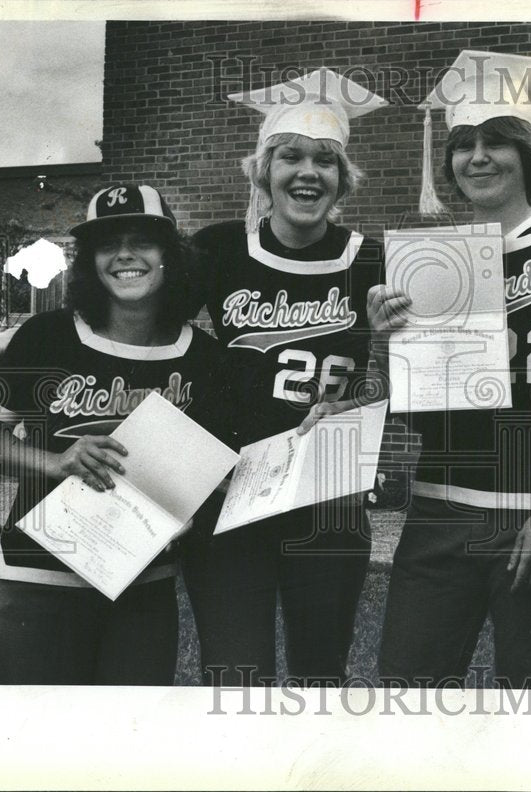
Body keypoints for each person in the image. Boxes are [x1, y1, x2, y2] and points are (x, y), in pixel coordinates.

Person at [369, 51, 531, 687]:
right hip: (437, 510)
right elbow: (410, 399)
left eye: (496, 142)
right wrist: (386, 342)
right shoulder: (432, 258)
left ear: (529, 154)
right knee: (408, 690)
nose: (477, 157)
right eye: (463, 145)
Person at [0, 184, 227, 685]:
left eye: (143, 240)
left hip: (143, 584)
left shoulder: (205, 358)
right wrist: (57, 462)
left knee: (126, 746)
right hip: (39, 575)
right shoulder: (47, 335)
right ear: (90, 260)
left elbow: (215, 465)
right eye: (108, 242)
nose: (125, 254)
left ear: (171, 254)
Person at [177, 69, 389, 686]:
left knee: (320, 674)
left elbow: (413, 377)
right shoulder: (218, 248)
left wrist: (368, 388)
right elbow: (135, 313)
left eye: (325, 161)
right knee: (235, 673)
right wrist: (16, 335)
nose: (307, 172)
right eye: (289, 157)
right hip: (230, 486)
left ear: (341, 179)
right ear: (263, 173)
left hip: (328, 487)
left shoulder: (373, 258)